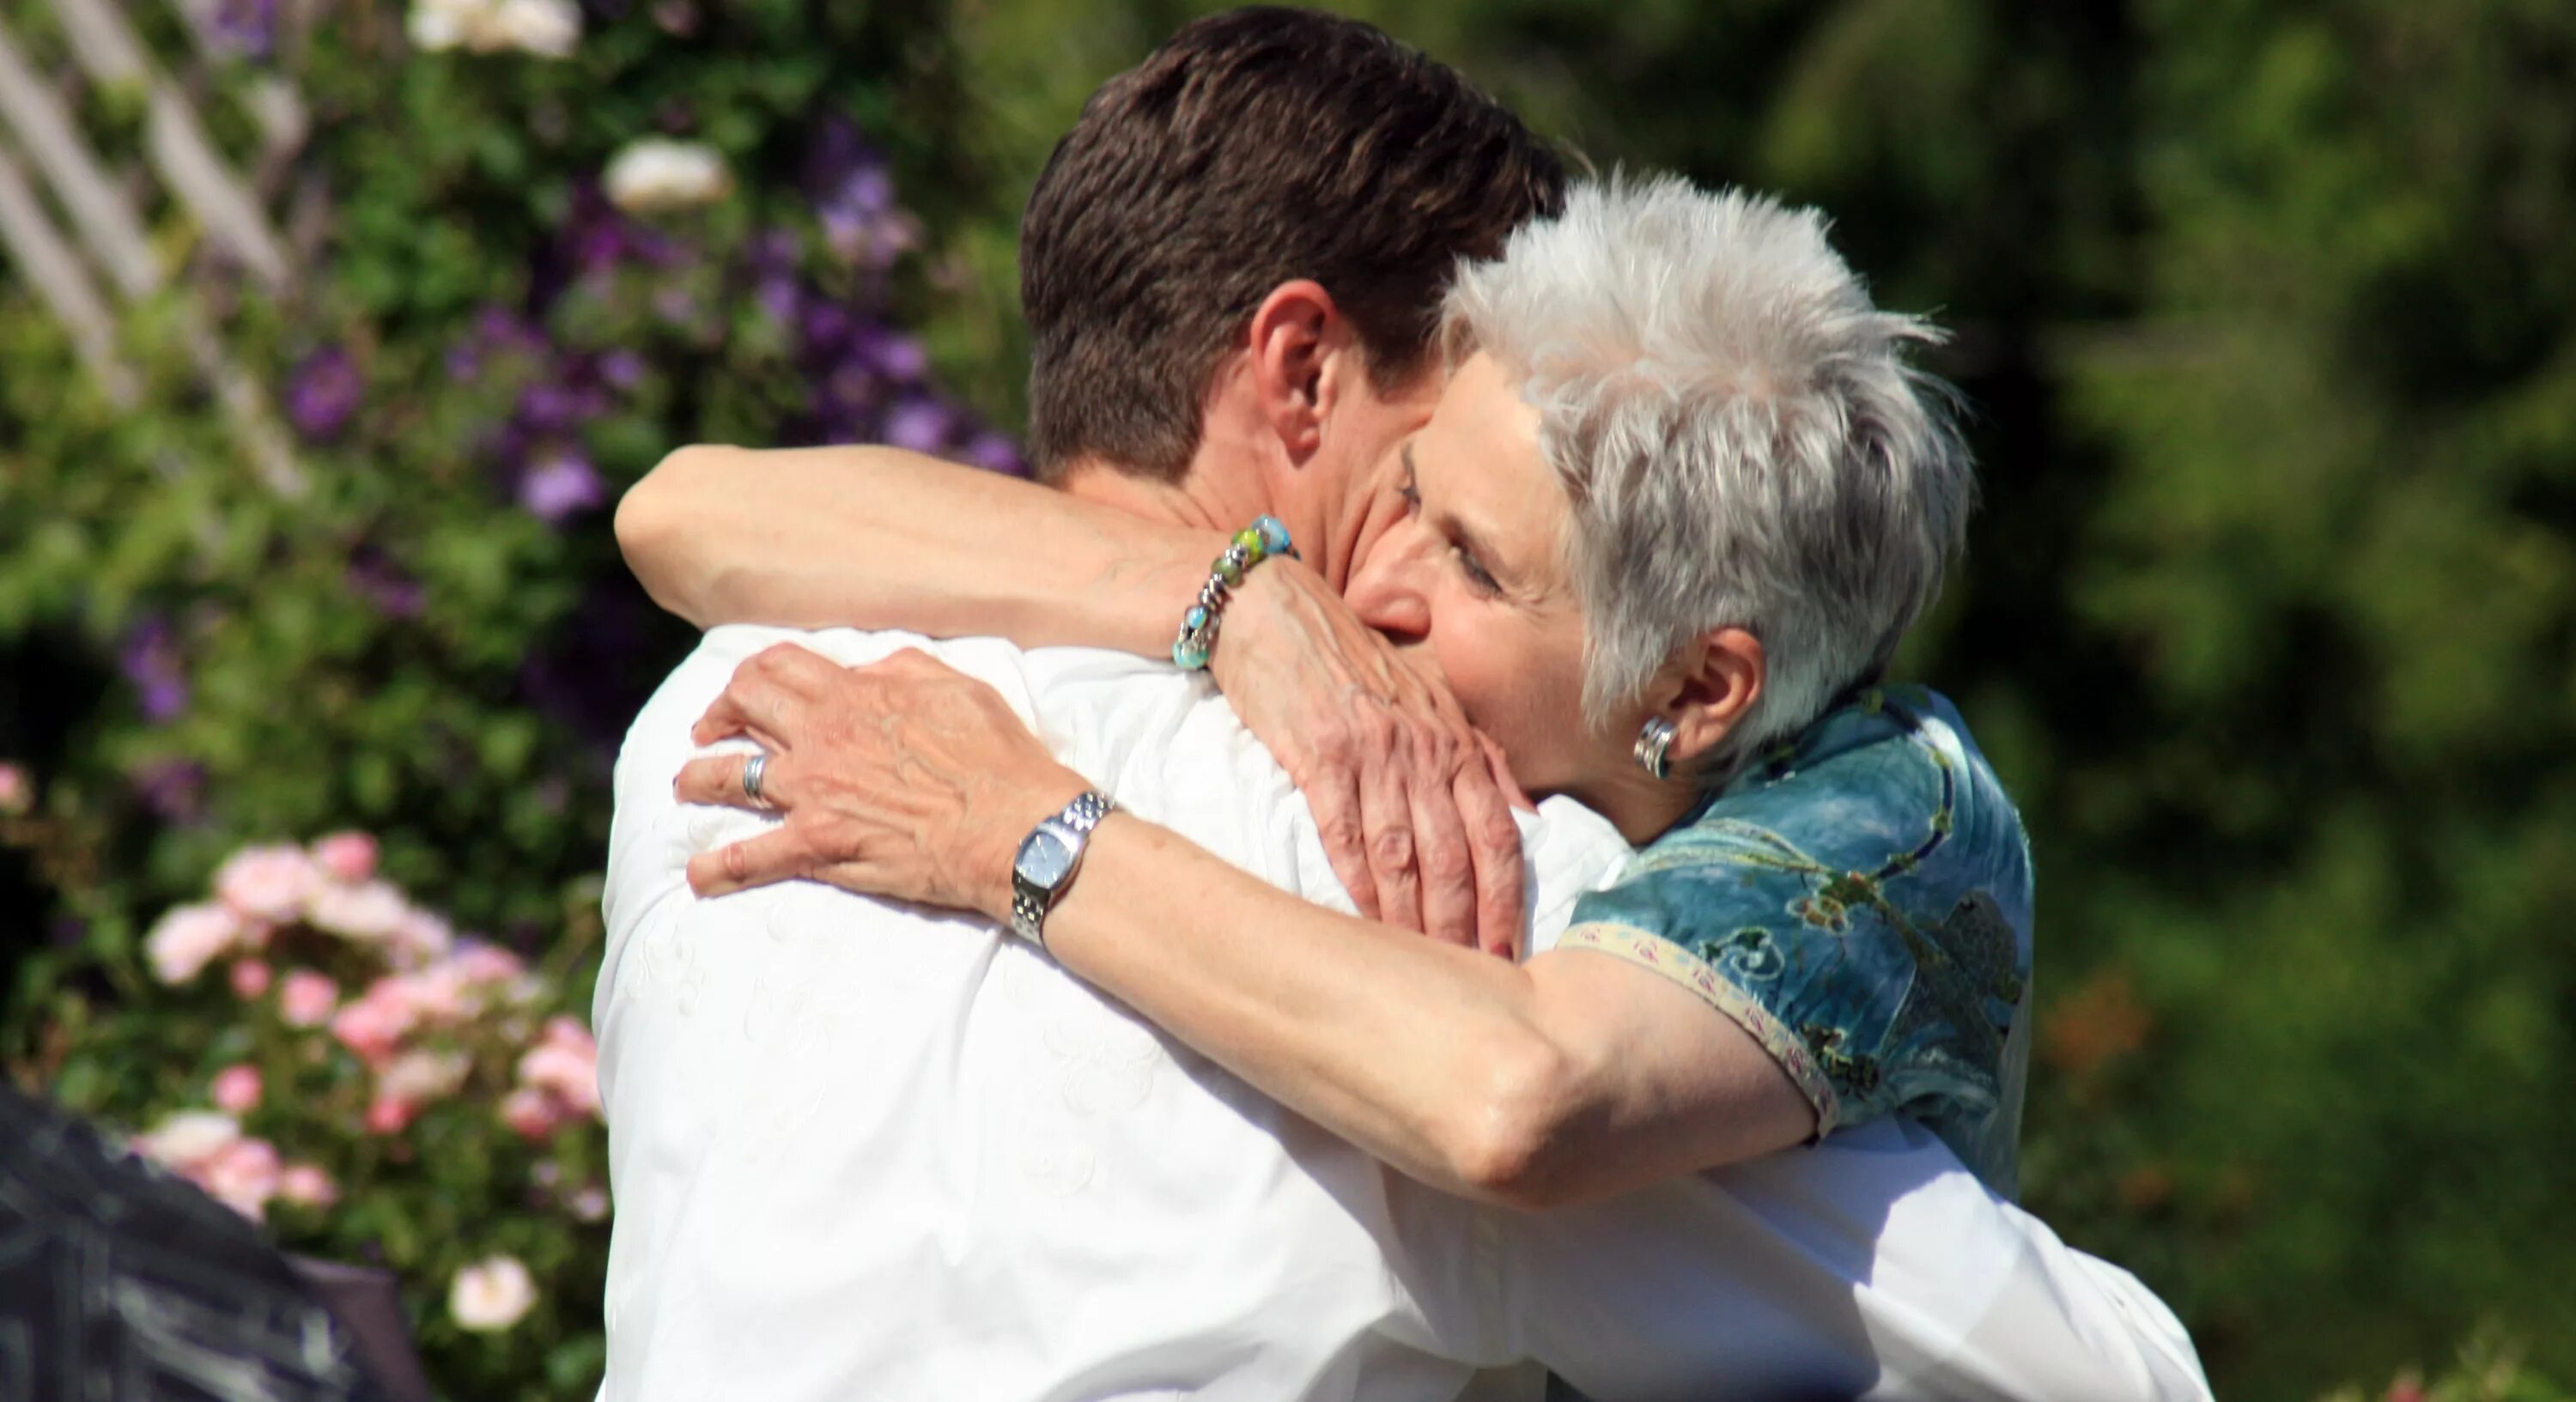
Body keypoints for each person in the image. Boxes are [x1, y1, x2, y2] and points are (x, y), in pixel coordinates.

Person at [602, 10, 2207, 1397]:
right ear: (1298, 369)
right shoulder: (1451, 883)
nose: (1383, 598)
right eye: (1423, 472)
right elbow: (2082, 1374)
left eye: (1484, 552)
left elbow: (681, 511)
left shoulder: (724, 715)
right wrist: (1231, 605)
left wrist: (1192, 623)